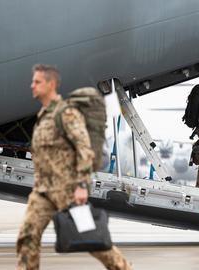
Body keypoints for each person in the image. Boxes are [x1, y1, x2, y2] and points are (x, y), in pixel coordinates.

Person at [16, 64, 132, 269]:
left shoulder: (66, 114)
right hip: (42, 191)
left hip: (67, 190)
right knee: (27, 238)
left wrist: (81, 185)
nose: (32, 85)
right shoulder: (44, 115)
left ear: (51, 84)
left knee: (94, 242)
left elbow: (84, 149)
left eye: (37, 82)